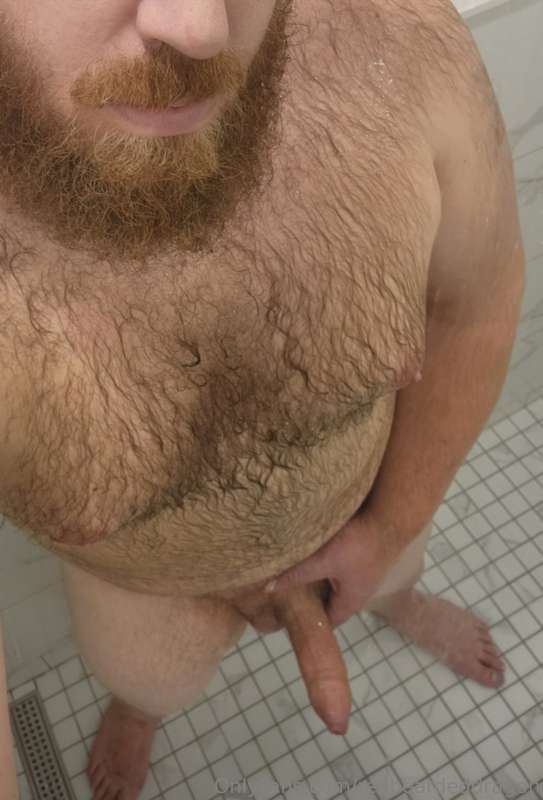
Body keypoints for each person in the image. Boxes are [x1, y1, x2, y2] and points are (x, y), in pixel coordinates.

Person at [0, 0, 525, 797]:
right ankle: (139, 714)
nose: (200, 28)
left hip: (364, 505)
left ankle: (399, 601)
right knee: (152, 682)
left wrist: (389, 527)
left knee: (394, 575)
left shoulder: (399, 40)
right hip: (148, 589)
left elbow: (474, 308)